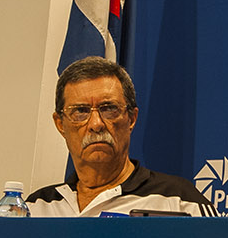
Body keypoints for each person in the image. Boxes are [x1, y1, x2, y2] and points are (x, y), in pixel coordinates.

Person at [27, 56, 215, 217]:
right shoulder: (36, 208)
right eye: (80, 111)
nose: (96, 124)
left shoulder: (181, 200)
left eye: (109, 109)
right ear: (60, 124)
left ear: (131, 119)